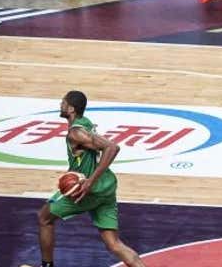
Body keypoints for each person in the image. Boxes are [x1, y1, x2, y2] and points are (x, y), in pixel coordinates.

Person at [36, 90, 147, 267]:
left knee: (44, 218)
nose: (60, 105)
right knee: (114, 244)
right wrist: (74, 170)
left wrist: (89, 181)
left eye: (63, 103)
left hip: (87, 190)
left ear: (71, 109)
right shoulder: (85, 123)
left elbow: (112, 148)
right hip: (107, 188)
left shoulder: (75, 133)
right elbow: (87, 155)